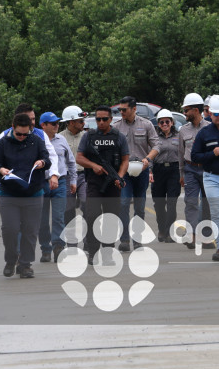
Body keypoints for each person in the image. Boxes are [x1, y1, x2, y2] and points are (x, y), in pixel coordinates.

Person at [0, 112, 51, 279]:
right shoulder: (3, 143)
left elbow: (47, 159)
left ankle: (25, 265)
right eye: (19, 134)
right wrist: (1, 170)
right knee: (10, 229)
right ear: (12, 128)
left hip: (33, 193)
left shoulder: (37, 141)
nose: (22, 137)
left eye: (26, 134)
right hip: (10, 194)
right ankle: (11, 260)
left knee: (30, 231)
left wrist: (42, 163)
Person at [76, 106, 129, 265]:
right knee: (92, 215)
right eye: (98, 119)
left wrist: (119, 177)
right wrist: (93, 165)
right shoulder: (89, 136)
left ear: (111, 119)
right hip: (94, 182)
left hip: (112, 183)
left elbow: (125, 159)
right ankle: (93, 251)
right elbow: (79, 158)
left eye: (104, 119)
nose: (101, 122)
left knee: (111, 219)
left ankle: (108, 251)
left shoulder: (119, 137)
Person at [191, 95, 219, 261]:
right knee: (217, 213)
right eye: (216, 114)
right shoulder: (204, 133)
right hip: (211, 178)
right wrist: (211, 154)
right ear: (210, 114)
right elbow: (195, 156)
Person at [112, 96, 160, 251]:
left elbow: (156, 145)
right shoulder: (116, 126)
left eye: (124, 109)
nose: (121, 112)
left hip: (142, 170)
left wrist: (148, 159)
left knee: (139, 206)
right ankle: (124, 240)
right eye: (120, 110)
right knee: (124, 203)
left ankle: (137, 239)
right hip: (124, 170)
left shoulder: (146, 125)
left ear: (134, 109)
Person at [0, 103, 59, 201]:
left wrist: (54, 174)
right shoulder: (4, 137)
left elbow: (51, 156)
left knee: (41, 215)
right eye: (28, 119)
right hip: (11, 188)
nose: (31, 122)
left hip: (36, 185)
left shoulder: (40, 135)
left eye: (33, 119)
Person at [38, 111, 77, 263]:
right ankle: (45, 248)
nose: (57, 126)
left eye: (58, 123)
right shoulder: (36, 140)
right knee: (42, 219)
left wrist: (73, 180)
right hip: (41, 183)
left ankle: (58, 247)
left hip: (60, 182)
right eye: (53, 123)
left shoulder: (62, 139)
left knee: (58, 217)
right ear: (43, 125)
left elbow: (71, 162)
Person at [178, 93, 211, 249]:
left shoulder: (209, 128)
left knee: (207, 203)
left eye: (187, 110)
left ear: (196, 110)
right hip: (190, 169)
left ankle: (206, 236)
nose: (185, 113)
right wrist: (182, 174)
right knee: (190, 202)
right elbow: (180, 153)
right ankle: (191, 235)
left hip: (207, 169)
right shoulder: (183, 130)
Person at [151, 109, 181, 243]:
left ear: (172, 122)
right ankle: (161, 230)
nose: (164, 124)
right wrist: (150, 172)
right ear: (158, 123)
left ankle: (169, 232)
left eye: (167, 121)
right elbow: (149, 154)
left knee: (172, 203)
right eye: (161, 122)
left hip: (174, 170)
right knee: (158, 203)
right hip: (158, 170)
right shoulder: (154, 137)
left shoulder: (179, 135)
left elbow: (183, 153)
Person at [61, 106, 88, 231]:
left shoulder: (87, 137)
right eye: (81, 121)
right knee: (68, 210)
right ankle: (71, 244)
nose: (84, 123)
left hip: (84, 175)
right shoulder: (60, 138)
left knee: (87, 205)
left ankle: (89, 241)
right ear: (71, 122)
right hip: (66, 177)